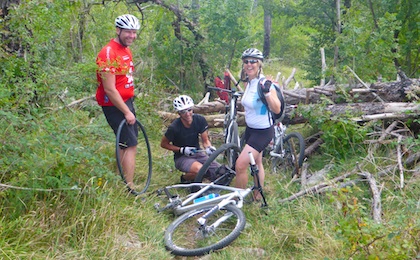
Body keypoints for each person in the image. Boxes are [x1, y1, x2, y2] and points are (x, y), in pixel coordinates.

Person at [95, 14, 141, 190]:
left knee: (125, 142)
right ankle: (129, 187)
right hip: (114, 104)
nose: (132, 36)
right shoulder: (108, 52)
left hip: (126, 101)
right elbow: (109, 88)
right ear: (118, 30)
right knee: (130, 144)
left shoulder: (126, 50)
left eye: (134, 32)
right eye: (128, 32)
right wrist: (127, 112)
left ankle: (122, 180)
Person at [235, 48, 282, 200]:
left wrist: (268, 92)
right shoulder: (249, 82)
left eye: (253, 61)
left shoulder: (264, 83)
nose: (249, 64)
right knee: (258, 161)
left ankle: (237, 201)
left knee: (241, 165)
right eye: (246, 61)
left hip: (262, 132)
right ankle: (257, 195)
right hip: (251, 130)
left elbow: (276, 108)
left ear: (259, 64)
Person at [160, 95, 221, 183]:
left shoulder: (200, 120)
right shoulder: (174, 127)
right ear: (179, 113)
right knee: (200, 170)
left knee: (219, 170)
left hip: (197, 153)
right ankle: (185, 179)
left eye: (189, 110)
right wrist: (182, 150)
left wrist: (208, 147)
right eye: (183, 111)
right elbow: (163, 144)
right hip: (181, 157)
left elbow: (205, 140)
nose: (188, 114)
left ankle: (203, 179)